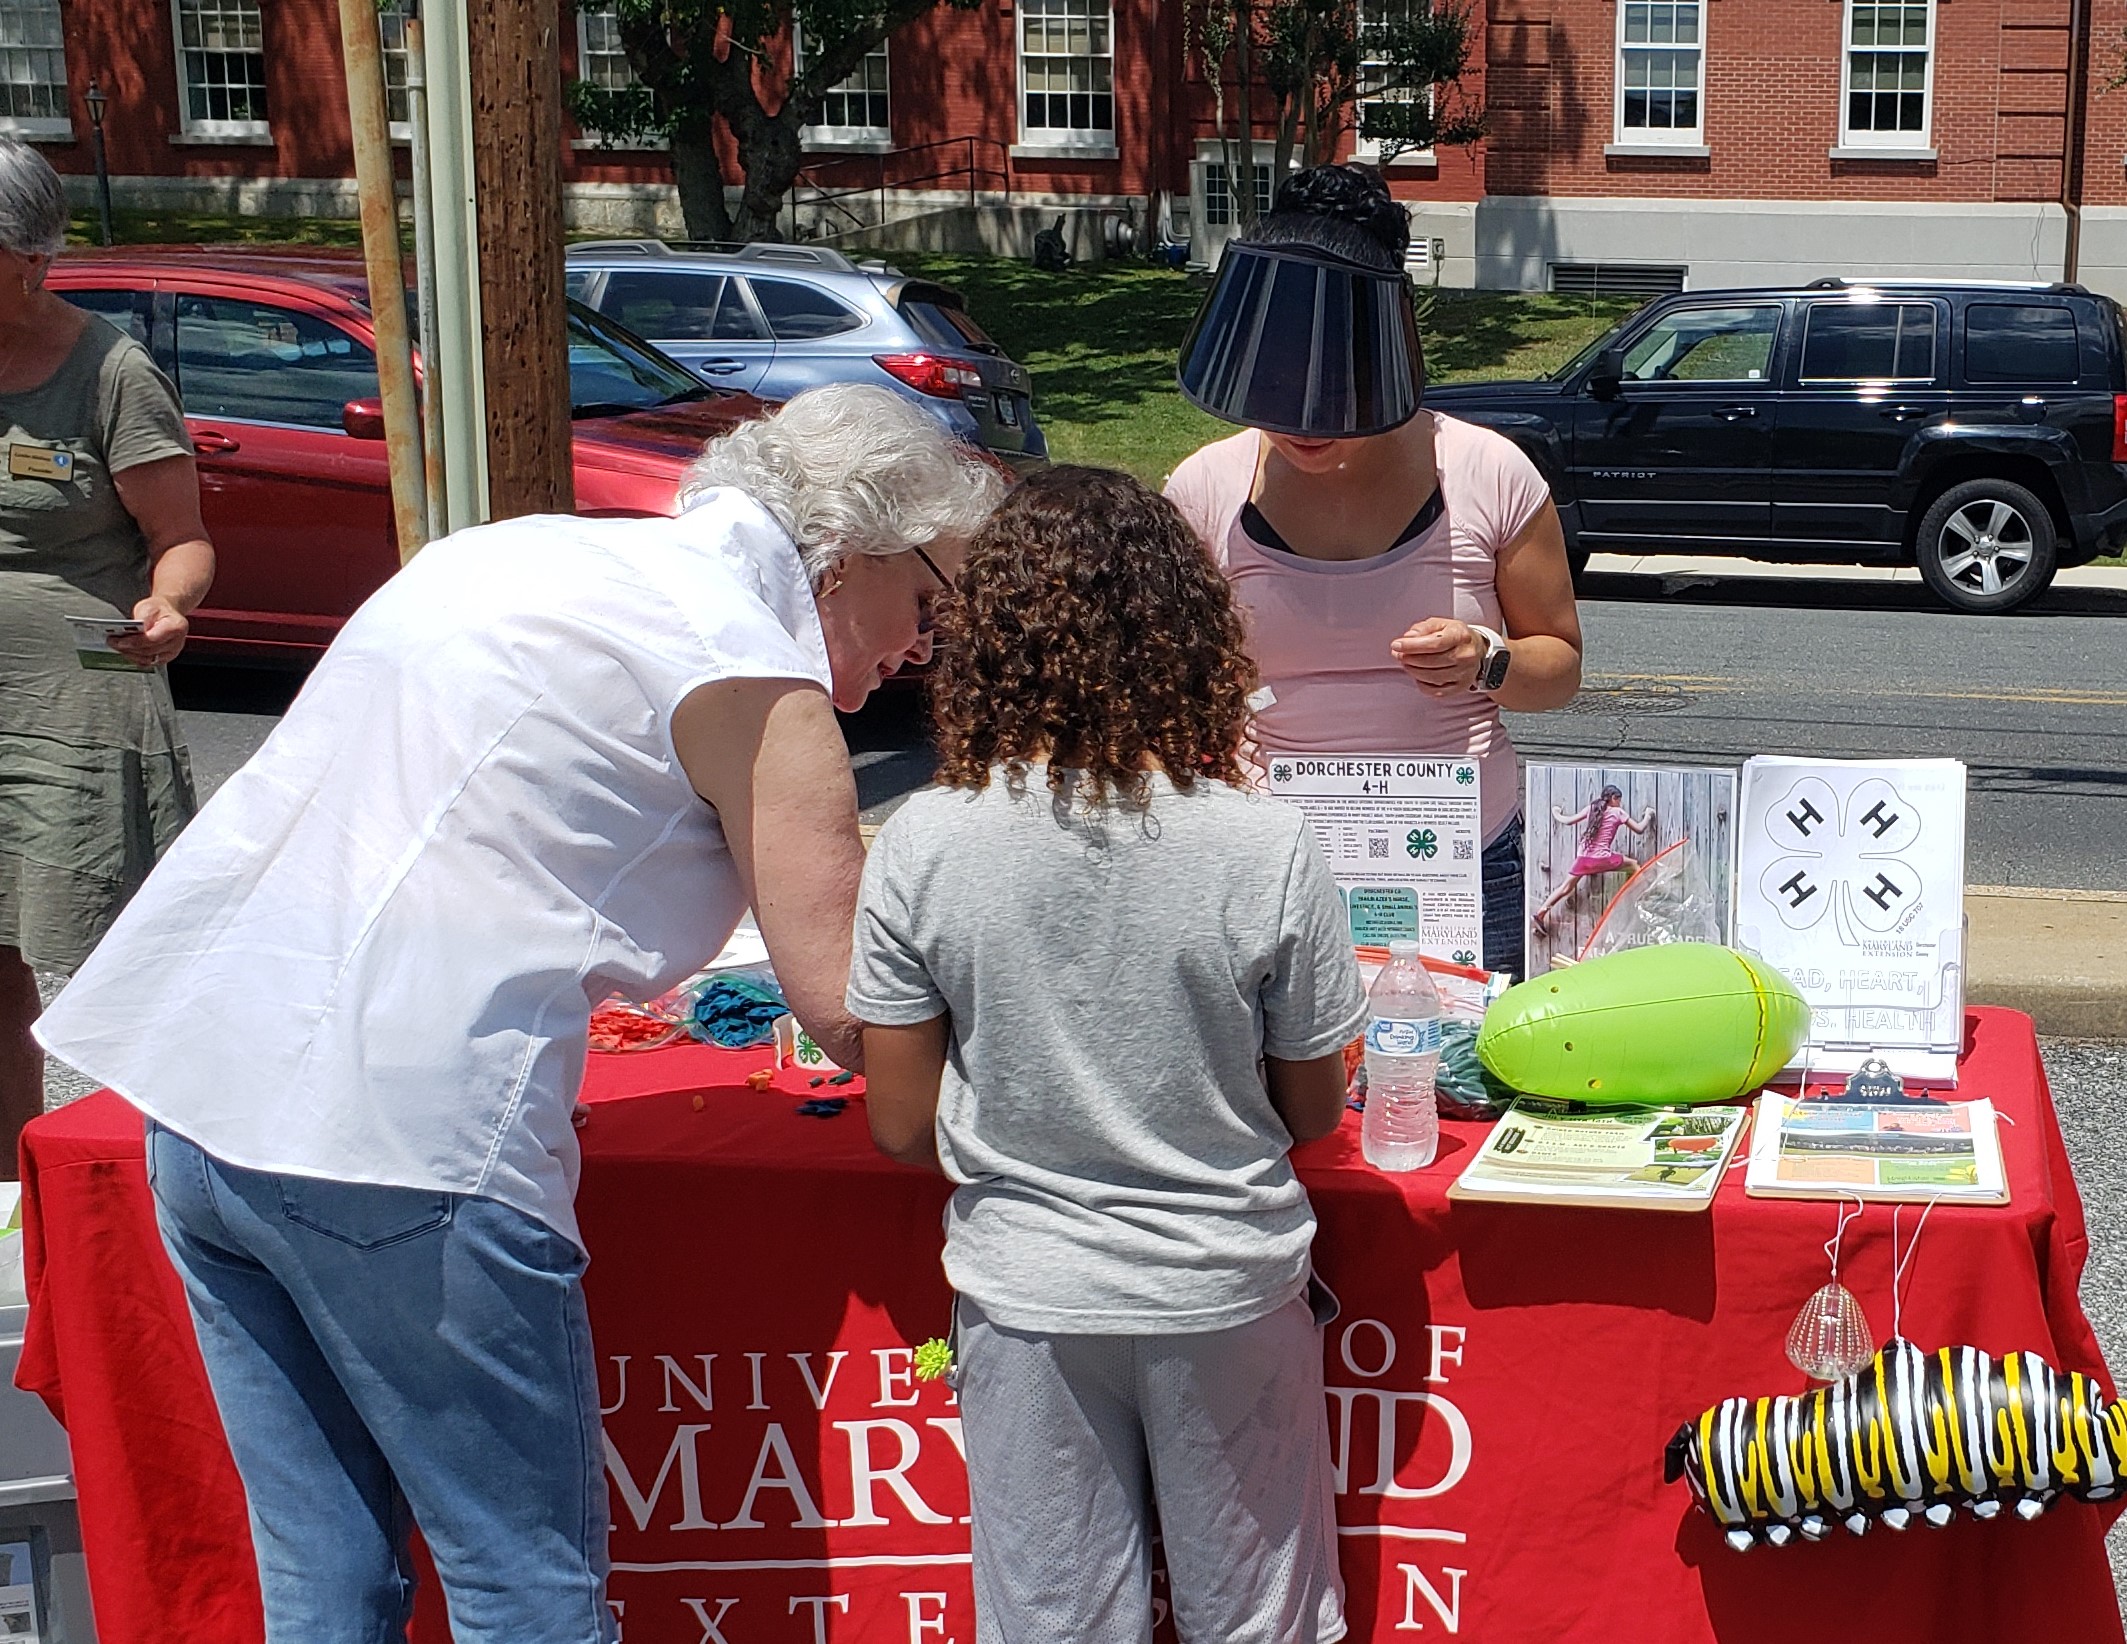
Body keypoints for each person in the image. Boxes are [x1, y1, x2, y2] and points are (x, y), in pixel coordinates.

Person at [34, 384, 1001, 1642]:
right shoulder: (758, 674)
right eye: (932, 603)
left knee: (323, 1581)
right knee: (524, 1591)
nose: (926, 648)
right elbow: (853, 1019)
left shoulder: (509, 552)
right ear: (859, 547)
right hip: (400, 1140)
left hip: (201, 1091)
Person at [853, 465, 1368, 1644]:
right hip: (1221, 1281)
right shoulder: (1263, 843)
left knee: (1054, 1622)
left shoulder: (926, 839)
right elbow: (1311, 1113)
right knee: (1260, 1621)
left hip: (1027, 1290)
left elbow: (896, 1123)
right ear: (1190, 635)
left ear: (983, 641)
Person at [1165, 163, 1583, 980]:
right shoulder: (1202, 489)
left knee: (1454, 1088)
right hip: (1269, 856)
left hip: (1463, 854)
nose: (1298, 428)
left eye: (1328, 403)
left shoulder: (1487, 471)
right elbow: (1167, 690)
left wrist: (1486, 658)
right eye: (1271, 396)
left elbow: (1559, 666)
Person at [0, 137, 212, 1175]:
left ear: (33, 254)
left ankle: (140, 1194)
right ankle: (6, 1205)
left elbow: (182, 540)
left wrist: (167, 609)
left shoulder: (110, 370)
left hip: (72, 709)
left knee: (88, 963)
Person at [1533, 784, 1657, 933]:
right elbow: (1639, 829)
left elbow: (1567, 820)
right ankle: (1648, 896)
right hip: (1602, 858)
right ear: (1613, 798)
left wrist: (1556, 812)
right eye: (1619, 800)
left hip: (1583, 858)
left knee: (1565, 888)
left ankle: (1541, 913)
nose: (1620, 804)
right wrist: (1648, 815)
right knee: (1634, 865)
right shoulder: (1618, 812)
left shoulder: (1592, 808)